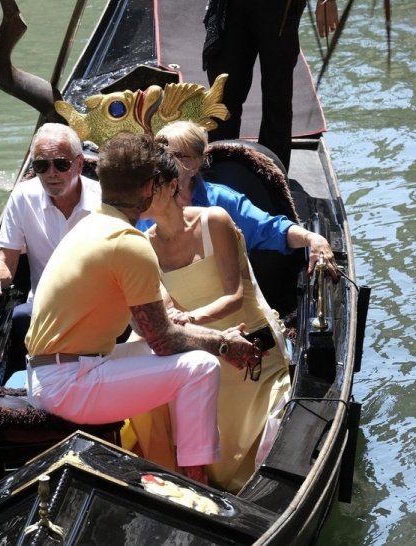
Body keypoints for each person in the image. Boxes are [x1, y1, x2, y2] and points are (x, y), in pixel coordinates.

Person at [24, 132, 260, 484]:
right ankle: (196, 486)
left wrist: (214, 335)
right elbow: (165, 339)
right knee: (200, 366)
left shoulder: (92, 225)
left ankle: (168, 461)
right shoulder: (130, 244)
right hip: (69, 384)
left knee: (163, 350)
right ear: (150, 186)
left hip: (50, 374)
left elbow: (152, 331)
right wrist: (224, 345)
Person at [130, 151, 291, 492]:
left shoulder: (213, 219)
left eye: (148, 186)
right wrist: (181, 321)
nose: (138, 195)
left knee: (273, 434)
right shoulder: (143, 245)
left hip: (251, 344)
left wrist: (189, 320)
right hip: (202, 353)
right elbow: (167, 307)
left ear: (172, 184)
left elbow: (234, 296)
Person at [0, 122, 101, 377]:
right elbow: (6, 263)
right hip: (44, 308)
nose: (51, 173)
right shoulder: (22, 197)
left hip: (97, 305)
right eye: (42, 165)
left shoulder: (103, 200)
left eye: (61, 164)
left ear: (79, 164)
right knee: (21, 317)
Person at [138, 120, 337, 278]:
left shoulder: (222, 200)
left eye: (178, 156)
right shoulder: (148, 204)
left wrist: (312, 238)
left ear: (197, 163)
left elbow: (270, 229)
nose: (168, 164)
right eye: (163, 156)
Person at [202, 0, 339, 171]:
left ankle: (272, 178)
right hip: (231, 7)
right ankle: (218, 171)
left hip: (281, 9)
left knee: (277, 96)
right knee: (223, 93)